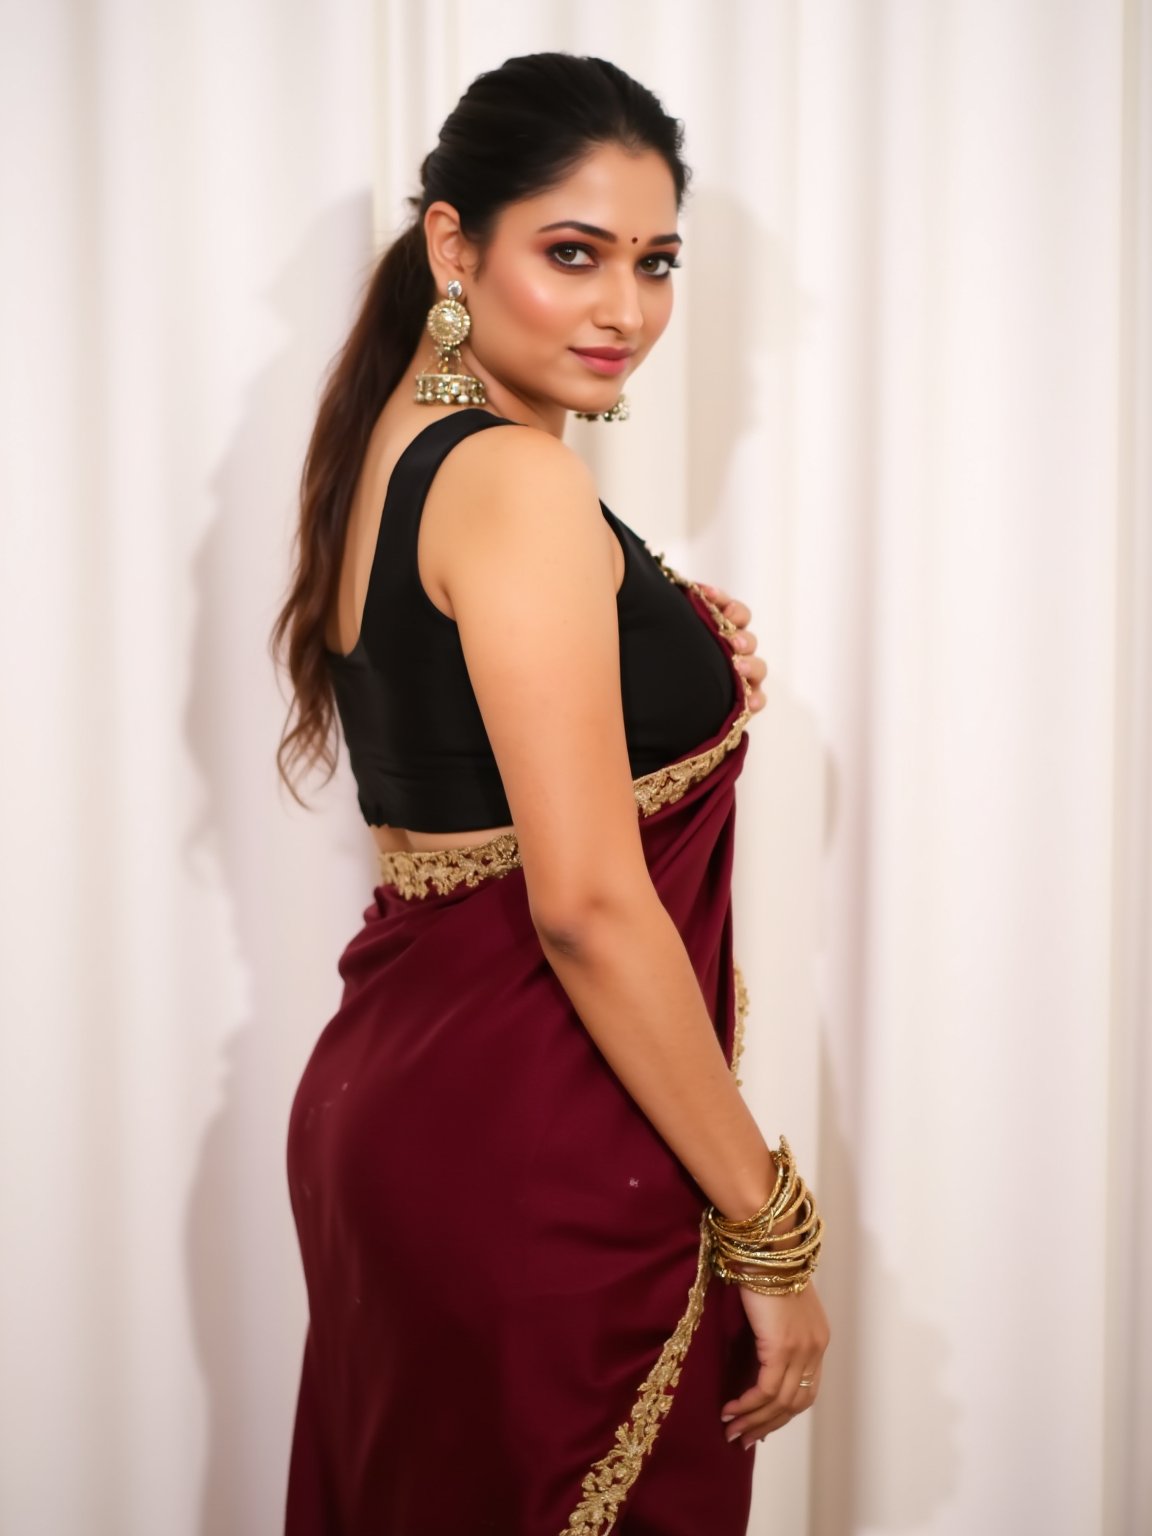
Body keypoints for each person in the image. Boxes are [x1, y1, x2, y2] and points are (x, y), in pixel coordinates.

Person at [272, 51, 830, 1536]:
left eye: (655, 263)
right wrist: (768, 1233)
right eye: (571, 255)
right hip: (539, 1135)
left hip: (410, 1100)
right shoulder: (518, 484)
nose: (625, 311)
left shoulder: (395, 449)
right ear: (456, 245)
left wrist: (666, 639)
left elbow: (479, 728)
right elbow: (585, 904)